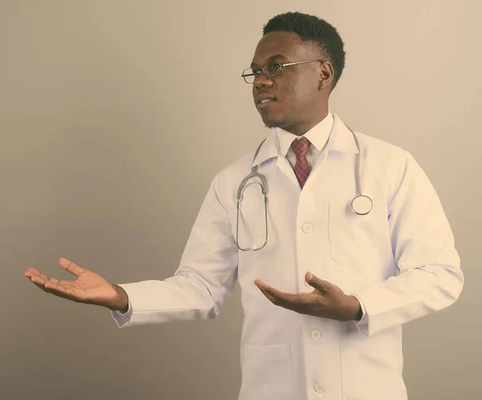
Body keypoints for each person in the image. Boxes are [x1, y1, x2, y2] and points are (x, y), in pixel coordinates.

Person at [24, 11, 464, 400]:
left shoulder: (390, 166)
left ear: (323, 74)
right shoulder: (234, 181)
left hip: (368, 388)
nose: (261, 81)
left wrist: (358, 306)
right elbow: (200, 286)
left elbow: (440, 275)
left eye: (276, 67)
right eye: (254, 71)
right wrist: (121, 297)